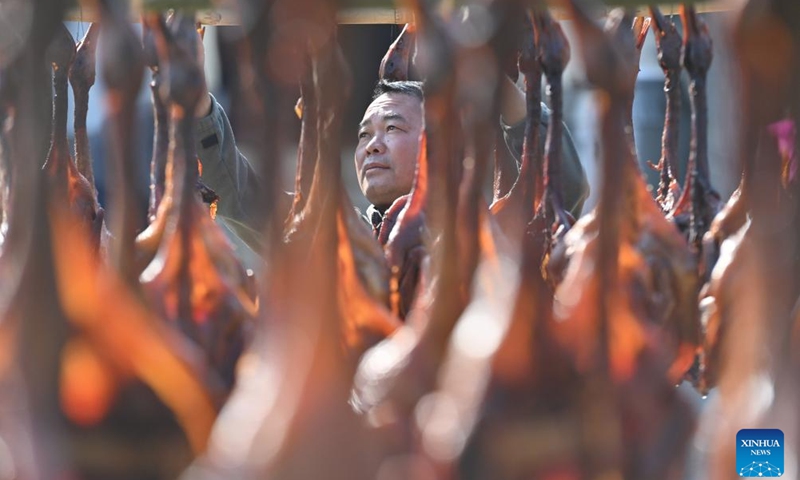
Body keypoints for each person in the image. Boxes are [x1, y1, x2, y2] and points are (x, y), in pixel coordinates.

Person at [192, 77, 588, 251]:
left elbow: (562, 188)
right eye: (364, 135)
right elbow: (234, 194)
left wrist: (492, 73)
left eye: (393, 128)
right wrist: (196, 101)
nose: (371, 147)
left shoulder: (481, 238)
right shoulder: (327, 238)